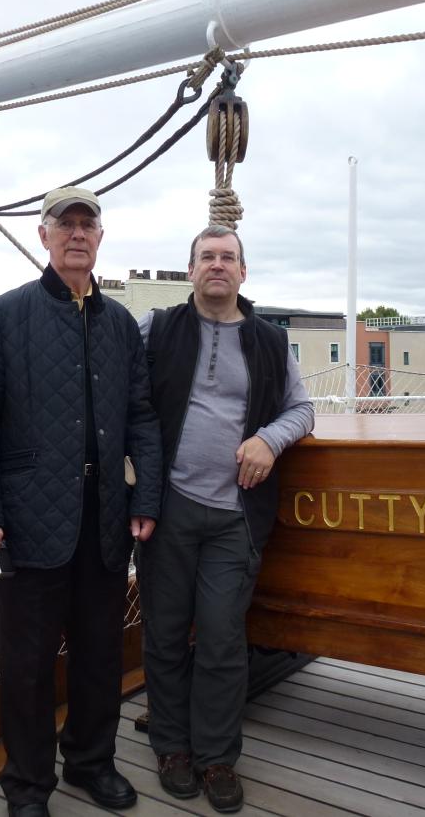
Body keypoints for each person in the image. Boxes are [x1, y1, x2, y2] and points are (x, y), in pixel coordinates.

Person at [0, 186, 162, 817]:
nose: (77, 234)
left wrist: (145, 496)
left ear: (100, 238)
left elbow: (142, 418)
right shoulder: (6, 314)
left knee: (101, 654)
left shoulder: (121, 324)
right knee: (27, 664)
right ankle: (27, 786)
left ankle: (90, 763)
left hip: (103, 520)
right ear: (43, 237)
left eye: (88, 225)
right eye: (64, 224)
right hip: (26, 520)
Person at [137, 224, 314, 813]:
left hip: (236, 514)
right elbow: (115, 395)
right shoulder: (156, 331)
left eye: (228, 257)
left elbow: (303, 408)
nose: (217, 264)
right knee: (164, 633)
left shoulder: (268, 341)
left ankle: (216, 756)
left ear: (243, 272)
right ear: (191, 271)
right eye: (206, 257)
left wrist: (270, 438)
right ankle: (171, 746)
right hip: (168, 509)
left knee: (220, 638)